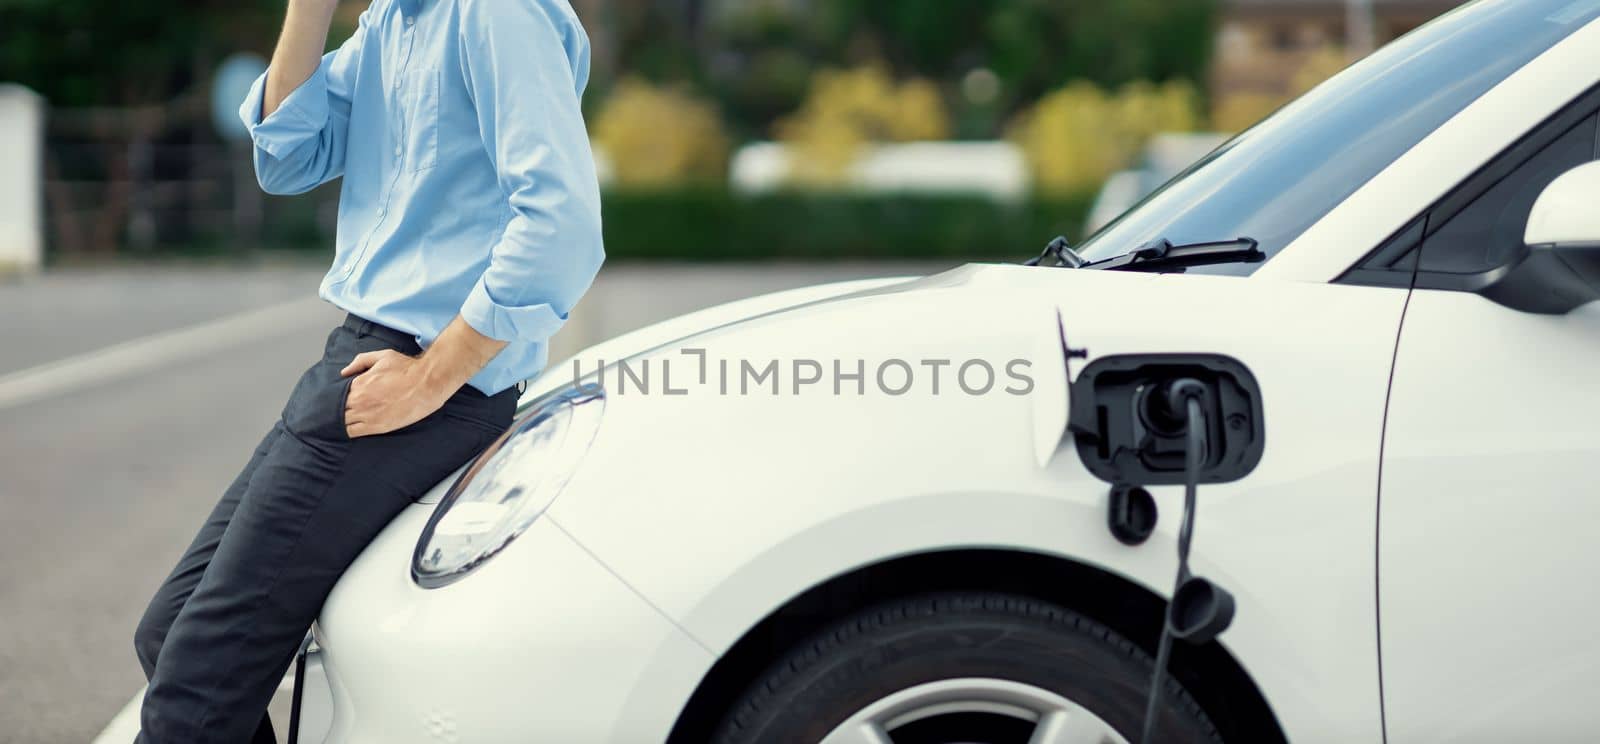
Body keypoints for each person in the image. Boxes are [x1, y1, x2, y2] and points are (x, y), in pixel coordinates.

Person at [129, 0, 603, 740]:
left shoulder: (493, 12)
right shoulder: (393, 20)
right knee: (170, 638)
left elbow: (562, 223)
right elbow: (286, 155)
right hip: (359, 360)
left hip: (421, 377)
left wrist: (431, 376)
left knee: (196, 683)